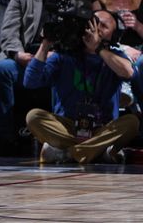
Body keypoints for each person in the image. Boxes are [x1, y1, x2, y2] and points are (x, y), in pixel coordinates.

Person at [0, 0, 87, 155]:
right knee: (0, 69)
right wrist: (18, 55)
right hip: (24, 58)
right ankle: (5, 138)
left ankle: (59, 139)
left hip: (55, 63)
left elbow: (78, 45)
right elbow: (9, 33)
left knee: (65, 71)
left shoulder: (79, 6)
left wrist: (55, 57)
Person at [25, 10, 138, 164]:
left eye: (103, 26)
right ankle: (96, 150)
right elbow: (30, 82)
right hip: (67, 126)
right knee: (33, 116)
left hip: (102, 127)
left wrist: (98, 48)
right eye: (93, 22)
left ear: (112, 36)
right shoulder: (64, 55)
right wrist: (45, 44)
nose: (95, 28)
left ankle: (66, 152)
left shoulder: (115, 54)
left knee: (132, 122)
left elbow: (128, 72)